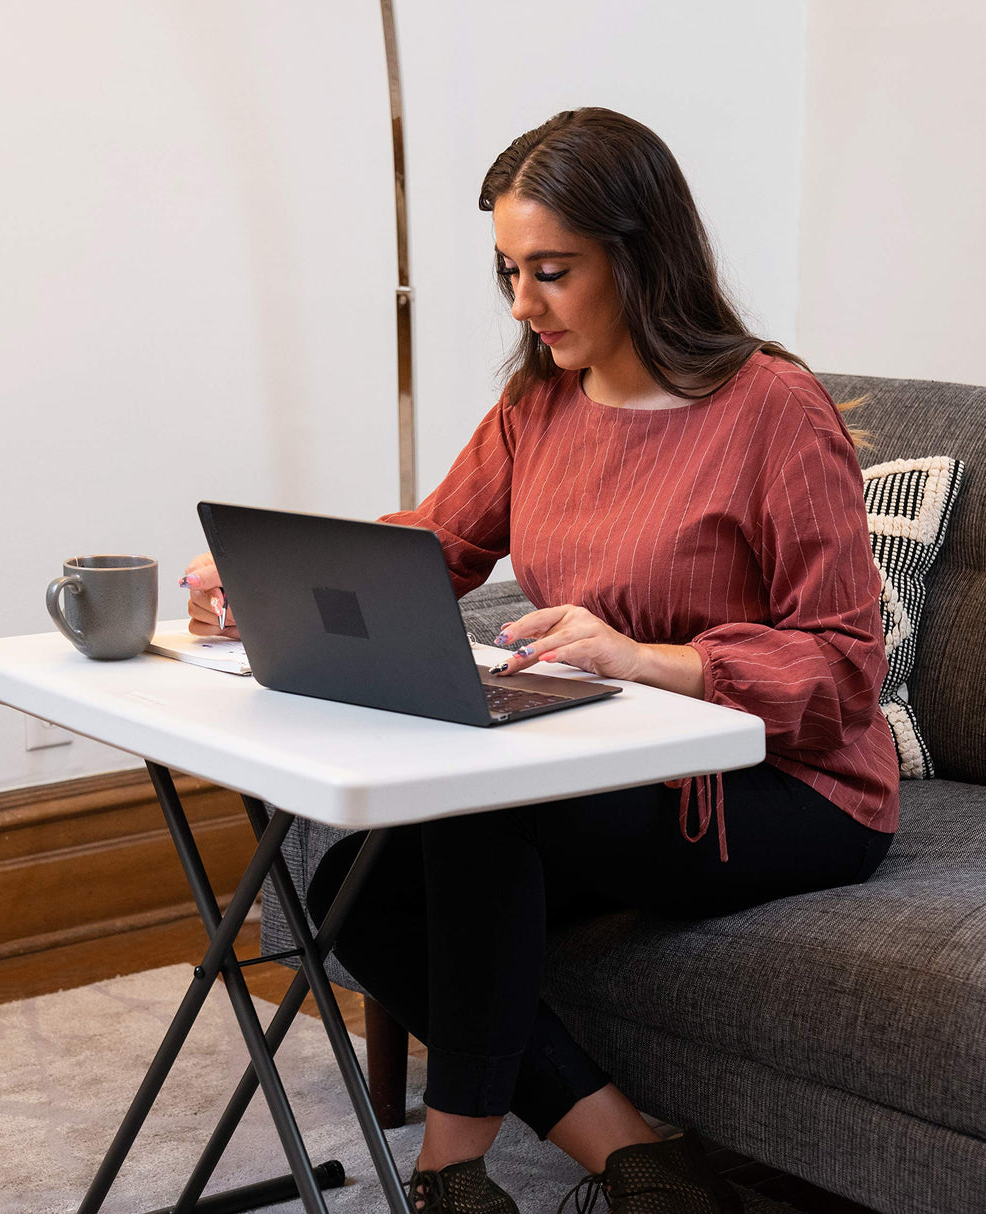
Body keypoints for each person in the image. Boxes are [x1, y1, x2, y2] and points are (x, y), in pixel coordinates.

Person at [183, 107, 899, 1214]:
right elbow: (432, 547)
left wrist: (652, 658)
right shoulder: (539, 401)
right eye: (508, 271)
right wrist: (268, 589)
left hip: (783, 789)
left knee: (479, 806)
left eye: (550, 271)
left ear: (638, 252)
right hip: (611, 768)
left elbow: (846, 667)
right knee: (351, 884)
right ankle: (632, 1152)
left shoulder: (771, 410)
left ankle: (449, 1170)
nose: (522, 303)